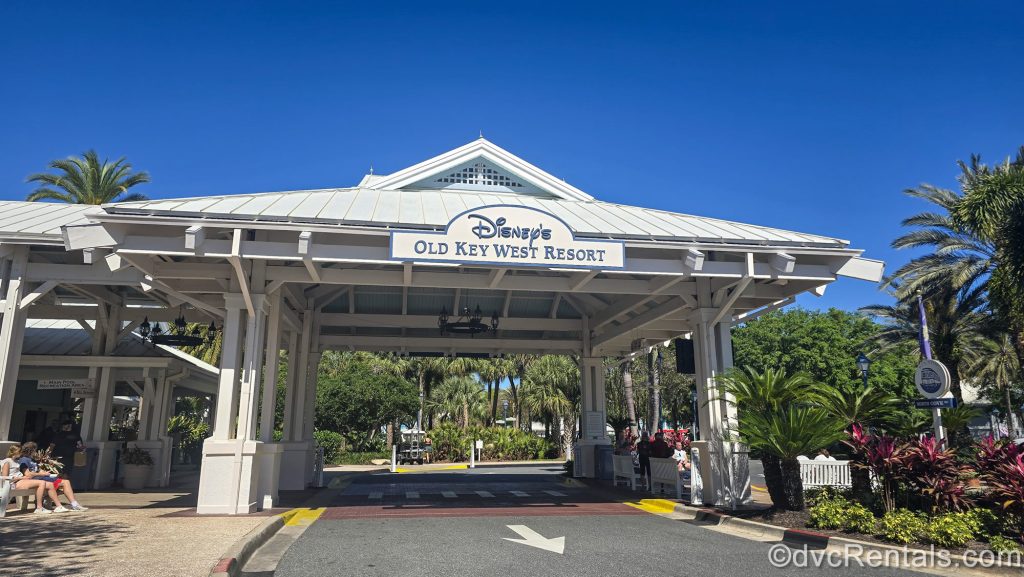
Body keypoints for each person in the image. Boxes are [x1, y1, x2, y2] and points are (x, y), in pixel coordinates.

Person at [17, 442, 87, 511]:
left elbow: (36, 471)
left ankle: (74, 504)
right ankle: (70, 505)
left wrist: (45, 473)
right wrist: (41, 474)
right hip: (35, 480)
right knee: (64, 483)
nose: (35, 452)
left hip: (41, 478)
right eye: (35, 450)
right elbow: (27, 474)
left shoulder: (32, 460)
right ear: (31, 450)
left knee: (65, 482)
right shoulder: (24, 460)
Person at [1, 446, 67, 514]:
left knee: (50, 485)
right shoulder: (7, 462)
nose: (21, 454)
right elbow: (5, 477)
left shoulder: (16, 461)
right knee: (42, 483)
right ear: (16, 452)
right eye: (20, 452)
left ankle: (59, 506)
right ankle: (39, 508)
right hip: (12, 484)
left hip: (22, 481)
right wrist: (22, 478)